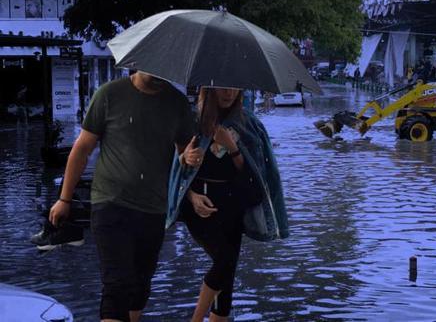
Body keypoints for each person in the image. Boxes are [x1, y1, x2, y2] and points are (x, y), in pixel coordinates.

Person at [48, 71, 195, 322]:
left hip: (154, 207)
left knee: (140, 287)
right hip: (111, 202)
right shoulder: (109, 94)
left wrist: (190, 160)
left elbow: (184, 156)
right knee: (116, 285)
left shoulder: (177, 103)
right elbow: (82, 148)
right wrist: (65, 199)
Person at [167, 87, 288, 322]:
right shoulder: (193, 120)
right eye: (223, 87)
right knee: (224, 261)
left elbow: (254, 175)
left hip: (233, 207)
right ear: (209, 89)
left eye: (235, 88)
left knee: (227, 281)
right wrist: (187, 162)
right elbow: (173, 167)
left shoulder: (248, 123)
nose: (229, 93)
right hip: (199, 204)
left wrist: (232, 147)